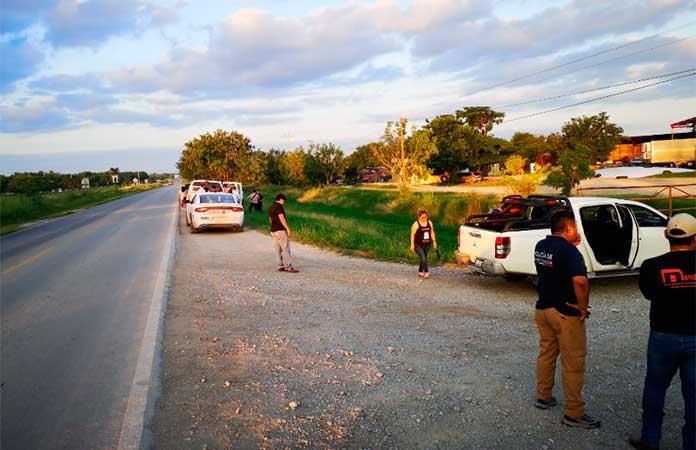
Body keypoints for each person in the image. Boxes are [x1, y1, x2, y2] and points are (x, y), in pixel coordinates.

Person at [629, 213, 696, 450]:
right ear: (695, 239)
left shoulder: (651, 266)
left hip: (663, 337)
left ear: (666, 234)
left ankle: (650, 440)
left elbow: (649, 294)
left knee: (655, 389)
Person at [533, 210, 600, 429]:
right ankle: (574, 414)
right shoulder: (569, 251)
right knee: (573, 363)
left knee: (547, 353)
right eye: (576, 228)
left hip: (543, 309)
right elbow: (580, 282)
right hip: (565, 313)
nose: (578, 231)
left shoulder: (541, 246)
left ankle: (543, 396)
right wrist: (582, 307)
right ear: (569, 227)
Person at [268, 193, 298, 273]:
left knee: (277, 249)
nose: (284, 202)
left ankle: (280, 266)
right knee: (286, 249)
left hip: (273, 231)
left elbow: (270, 219)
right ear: (281, 199)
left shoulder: (271, 207)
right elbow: (281, 218)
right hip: (280, 230)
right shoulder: (279, 207)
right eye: (284, 201)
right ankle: (289, 267)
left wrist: (274, 226)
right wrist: (287, 228)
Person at [410, 209, 438, 279]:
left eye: (425, 217)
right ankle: (426, 272)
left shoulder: (429, 222)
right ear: (419, 217)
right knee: (423, 257)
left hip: (427, 244)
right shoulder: (416, 224)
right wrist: (412, 244)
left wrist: (434, 241)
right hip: (418, 244)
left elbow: (432, 232)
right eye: (422, 217)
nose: (424, 218)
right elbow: (412, 235)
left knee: (423, 258)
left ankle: (420, 271)